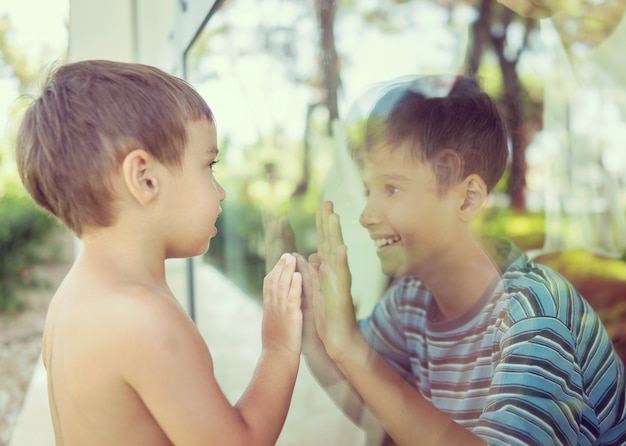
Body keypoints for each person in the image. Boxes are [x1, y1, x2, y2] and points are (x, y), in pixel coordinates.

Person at [295, 75, 626, 445]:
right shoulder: (412, 302)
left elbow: (362, 369)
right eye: (368, 190)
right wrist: (316, 325)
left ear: (467, 198)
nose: (367, 214)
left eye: (392, 188)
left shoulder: (532, 318)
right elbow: (375, 403)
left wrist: (350, 346)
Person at [16, 59, 303, 446]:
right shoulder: (143, 320)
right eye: (209, 165)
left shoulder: (71, 299)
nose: (221, 191)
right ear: (145, 179)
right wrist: (279, 348)